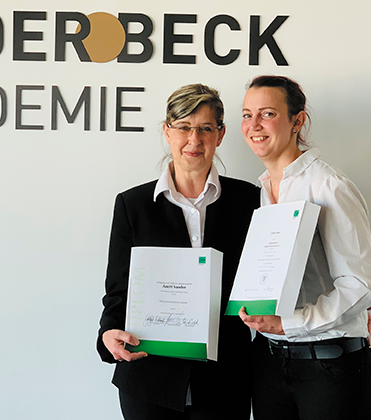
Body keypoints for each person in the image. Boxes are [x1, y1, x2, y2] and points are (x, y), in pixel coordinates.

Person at [97, 84, 259, 419]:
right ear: (167, 132)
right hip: (148, 375)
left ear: (221, 134)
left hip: (224, 376)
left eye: (205, 129)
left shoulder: (249, 200)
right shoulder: (133, 204)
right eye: (184, 127)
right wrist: (107, 334)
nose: (194, 140)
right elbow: (119, 288)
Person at [238, 75, 371, 420]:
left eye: (267, 114)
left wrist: (291, 323)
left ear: (297, 121)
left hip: (328, 367)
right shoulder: (259, 192)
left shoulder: (329, 186)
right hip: (270, 363)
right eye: (246, 114)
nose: (254, 125)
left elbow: (361, 286)